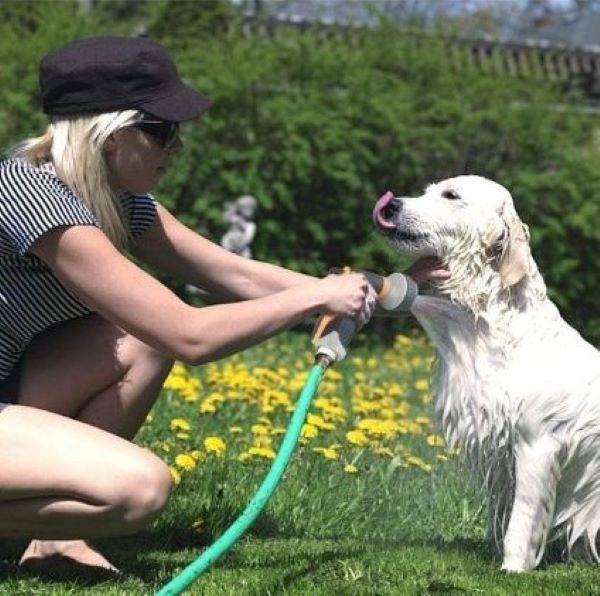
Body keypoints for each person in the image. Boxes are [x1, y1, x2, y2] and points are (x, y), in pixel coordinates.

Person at [0, 35, 449, 574]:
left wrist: (391, 292)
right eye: (163, 131)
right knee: (141, 490)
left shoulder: (117, 203)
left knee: (137, 343)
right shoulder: (32, 197)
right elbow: (187, 335)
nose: (177, 148)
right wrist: (316, 296)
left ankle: (55, 541)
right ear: (111, 133)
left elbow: (235, 273)